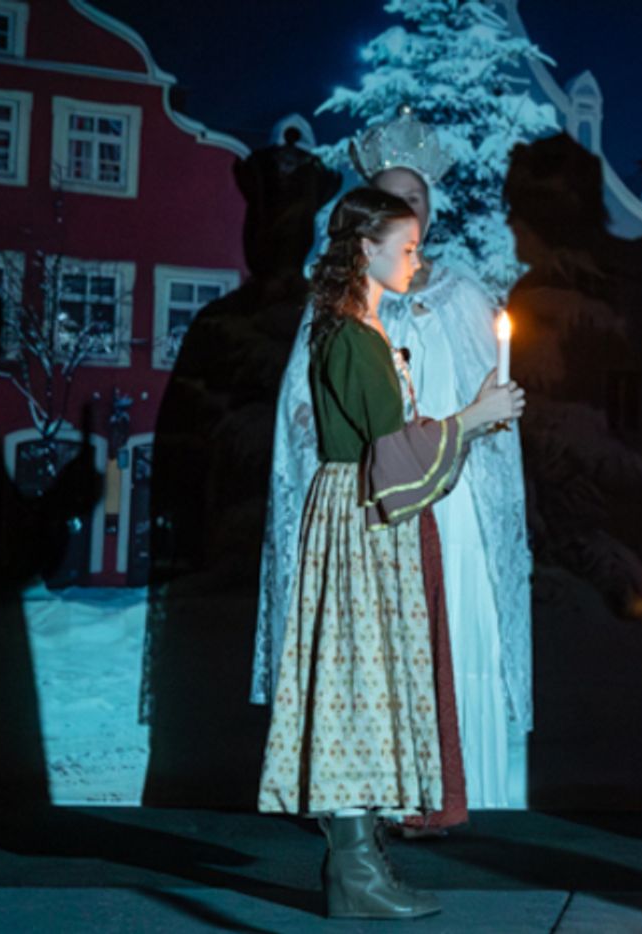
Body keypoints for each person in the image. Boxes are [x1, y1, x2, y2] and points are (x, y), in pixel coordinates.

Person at [256, 188, 524, 920]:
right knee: (354, 689)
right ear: (366, 250)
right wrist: (470, 418)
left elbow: (398, 442)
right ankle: (354, 871)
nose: (415, 259)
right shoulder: (350, 334)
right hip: (359, 523)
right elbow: (389, 452)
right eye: (404, 248)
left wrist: (469, 424)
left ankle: (362, 867)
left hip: (367, 518)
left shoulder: (361, 329)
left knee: (371, 686)